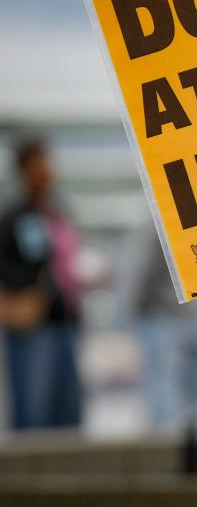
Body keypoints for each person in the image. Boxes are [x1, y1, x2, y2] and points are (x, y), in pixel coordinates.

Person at [0, 137, 83, 429]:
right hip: (34, 323)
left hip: (64, 319)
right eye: (39, 162)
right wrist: (19, 296)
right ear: (24, 169)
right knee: (35, 407)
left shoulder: (57, 212)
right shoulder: (15, 216)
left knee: (67, 407)